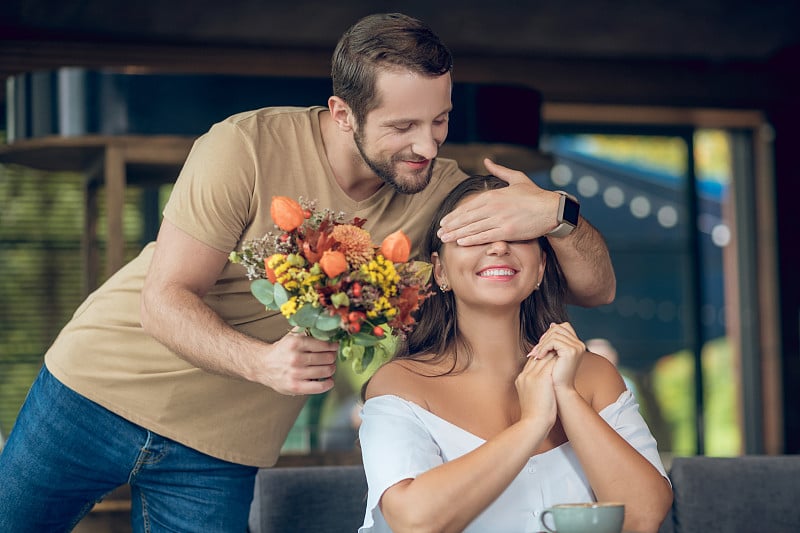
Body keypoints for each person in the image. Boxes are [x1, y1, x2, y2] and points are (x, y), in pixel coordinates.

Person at [0, 13, 615, 532]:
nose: (426, 146)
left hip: (221, 447)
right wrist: (261, 364)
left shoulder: (439, 191)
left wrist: (558, 214)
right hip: (93, 391)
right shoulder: (243, 145)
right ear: (342, 113)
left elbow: (595, 288)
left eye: (440, 121)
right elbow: (163, 300)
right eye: (401, 127)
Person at [358, 175, 672, 533]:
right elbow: (415, 522)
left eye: (519, 236)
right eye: (475, 233)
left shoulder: (593, 376)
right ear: (440, 270)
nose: (498, 248)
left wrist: (567, 396)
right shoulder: (400, 383)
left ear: (540, 268)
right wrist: (533, 423)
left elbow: (644, 517)